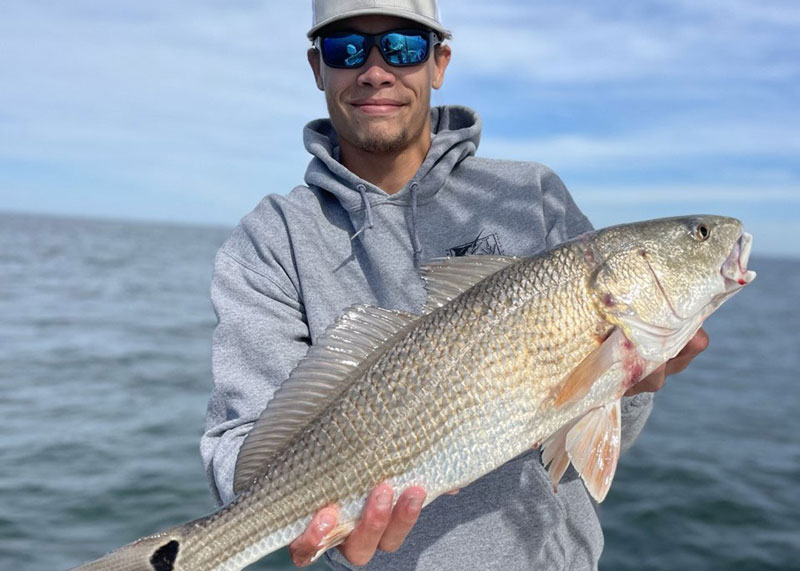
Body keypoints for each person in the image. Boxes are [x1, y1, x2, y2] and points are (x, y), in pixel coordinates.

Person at [200, 1, 709, 569]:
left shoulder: (533, 197)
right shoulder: (269, 240)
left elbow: (597, 436)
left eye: (403, 47)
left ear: (439, 62)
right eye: (347, 48)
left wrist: (631, 384)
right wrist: (297, 514)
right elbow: (238, 451)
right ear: (318, 67)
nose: (375, 71)